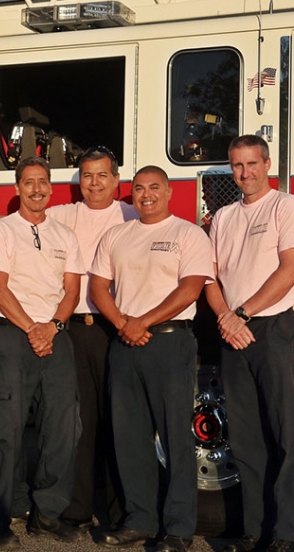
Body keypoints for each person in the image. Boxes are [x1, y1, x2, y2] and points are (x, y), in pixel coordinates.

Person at [89, 165, 213, 552]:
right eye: (139, 188)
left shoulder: (188, 234)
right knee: (129, 438)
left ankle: (178, 529)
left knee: (176, 437)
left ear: (169, 191)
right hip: (125, 343)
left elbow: (191, 289)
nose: (146, 195)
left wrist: (141, 321)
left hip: (170, 343)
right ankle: (139, 520)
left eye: (154, 187)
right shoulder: (116, 235)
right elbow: (98, 286)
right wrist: (124, 323)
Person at [204, 135, 294, 552]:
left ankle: (289, 534)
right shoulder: (224, 217)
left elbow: (290, 270)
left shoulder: (287, 207)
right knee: (246, 437)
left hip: (272, 329)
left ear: (267, 164)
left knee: (287, 433)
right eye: (236, 166)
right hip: (233, 332)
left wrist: (242, 314)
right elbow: (210, 277)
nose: (244, 173)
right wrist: (225, 319)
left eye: (252, 164)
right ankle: (255, 526)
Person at [0, 156, 83, 549]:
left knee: (64, 428)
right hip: (14, 338)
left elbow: (72, 289)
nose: (36, 189)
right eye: (28, 182)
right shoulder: (2, 231)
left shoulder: (65, 235)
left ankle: (47, 514)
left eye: (43, 182)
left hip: (56, 337)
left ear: (51, 188)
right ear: (17, 188)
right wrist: (32, 329)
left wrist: (52, 328)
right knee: (4, 429)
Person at [46, 146, 137, 531]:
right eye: (87, 175)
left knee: (119, 421)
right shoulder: (63, 215)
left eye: (102, 175)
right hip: (75, 330)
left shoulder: (133, 215)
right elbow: (19, 223)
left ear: (117, 180)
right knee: (80, 423)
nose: (94, 183)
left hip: (115, 329)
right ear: (79, 182)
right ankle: (79, 508)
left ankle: (120, 513)